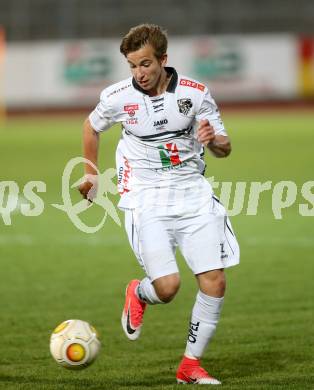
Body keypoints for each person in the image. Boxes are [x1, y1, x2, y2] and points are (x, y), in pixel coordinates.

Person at [79, 24, 239, 385]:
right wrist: (91, 175)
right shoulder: (119, 97)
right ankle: (138, 291)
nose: (139, 74)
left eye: (146, 64)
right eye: (133, 66)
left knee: (214, 281)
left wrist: (213, 140)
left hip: (192, 192)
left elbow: (225, 148)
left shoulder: (196, 95)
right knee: (166, 288)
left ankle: (190, 365)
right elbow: (91, 127)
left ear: (164, 60)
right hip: (145, 195)